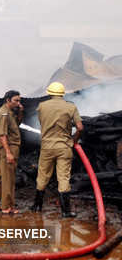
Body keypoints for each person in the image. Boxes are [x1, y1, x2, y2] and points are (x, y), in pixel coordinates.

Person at [31, 82, 83, 217]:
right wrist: (74, 140)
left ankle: (37, 206)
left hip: (47, 147)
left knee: (42, 176)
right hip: (64, 147)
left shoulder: (42, 106)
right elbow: (80, 127)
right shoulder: (70, 107)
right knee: (63, 178)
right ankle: (66, 212)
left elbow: (43, 122)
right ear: (62, 94)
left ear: (49, 93)